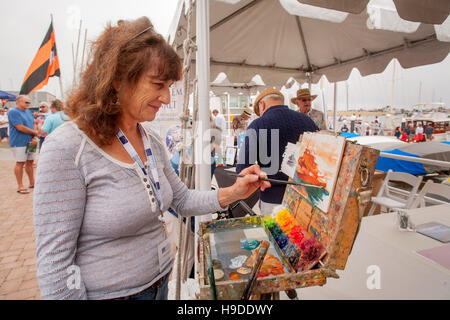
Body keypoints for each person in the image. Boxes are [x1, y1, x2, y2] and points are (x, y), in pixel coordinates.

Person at [33, 17, 270, 300]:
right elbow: (55, 264)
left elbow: (181, 200)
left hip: (160, 285)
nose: (167, 98)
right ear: (118, 80)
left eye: (169, 86)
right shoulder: (68, 148)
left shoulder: (151, 140)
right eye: (158, 84)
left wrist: (234, 192)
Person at [236, 88, 318, 215]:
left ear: (262, 105)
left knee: (274, 235)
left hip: (272, 199)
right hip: (306, 199)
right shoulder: (308, 121)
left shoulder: (258, 124)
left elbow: (243, 169)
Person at [7, 95, 39, 194]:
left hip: (30, 141)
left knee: (30, 162)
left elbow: (33, 124)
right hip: (19, 142)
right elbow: (20, 127)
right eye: (26, 102)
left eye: (29, 102)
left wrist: (34, 137)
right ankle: (20, 186)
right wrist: (34, 133)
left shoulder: (28, 112)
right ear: (19, 102)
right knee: (20, 162)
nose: (28, 104)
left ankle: (32, 182)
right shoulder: (13, 112)